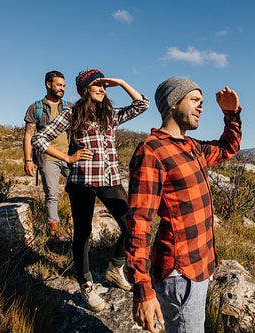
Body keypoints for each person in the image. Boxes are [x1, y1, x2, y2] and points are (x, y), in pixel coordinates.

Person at [125, 76, 242, 333]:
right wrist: (143, 289)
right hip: (180, 274)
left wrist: (231, 114)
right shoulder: (152, 151)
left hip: (201, 264)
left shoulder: (192, 147)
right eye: (194, 100)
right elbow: (138, 223)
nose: (201, 107)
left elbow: (227, 148)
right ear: (173, 104)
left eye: (202, 102)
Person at [32, 68, 149, 312]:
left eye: (104, 86)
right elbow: (39, 139)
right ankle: (86, 285)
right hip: (82, 182)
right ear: (84, 89)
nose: (102, 89)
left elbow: (142, 104)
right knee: (83, 233)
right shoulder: (71, 113)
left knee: (132, 224)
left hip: (110, 180)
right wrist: (67, 157)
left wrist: (120, 81)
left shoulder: (110, 115)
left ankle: (116, 268)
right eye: (96, 84)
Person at [23, 71, 74, 238]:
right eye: (59, 85)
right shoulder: (36, 107)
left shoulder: (69, 107)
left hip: (70, 157)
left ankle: (75, 222)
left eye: (64, 86)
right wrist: (28, 159)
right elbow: (29, 134)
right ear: (48, 84)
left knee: (78, 189)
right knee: (52, 194)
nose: (62, 88)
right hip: (48, 158)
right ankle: (53, 230)